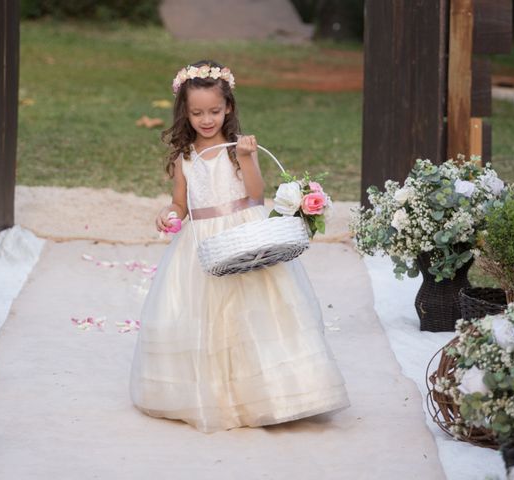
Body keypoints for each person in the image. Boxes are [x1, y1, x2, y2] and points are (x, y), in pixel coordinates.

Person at [129, 60, 350, 433]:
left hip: (244, 235)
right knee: (205, 319)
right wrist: (169, 213)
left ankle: (274, 392)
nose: (206, 119)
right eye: (197, 112)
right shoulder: (185, 156)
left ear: (228, 107)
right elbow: (181, 204)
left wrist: (248, 157)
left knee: (257, 313)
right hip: (202, 244)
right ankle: (217, 394)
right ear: (184, 112)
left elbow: (255, 193)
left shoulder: (237, 149)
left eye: (214, 111)